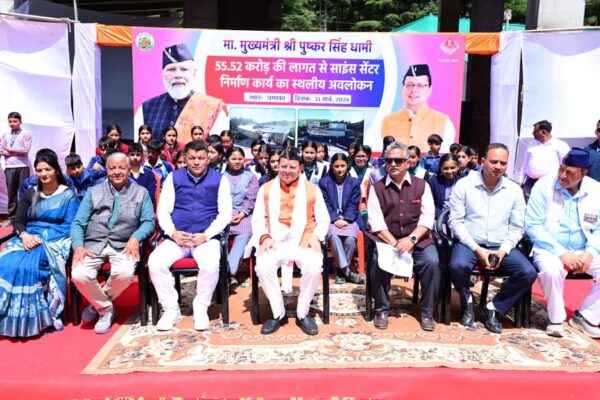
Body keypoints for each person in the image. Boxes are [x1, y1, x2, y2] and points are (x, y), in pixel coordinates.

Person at [448, 143, 537, 334]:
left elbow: (517, 226)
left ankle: (494, 308)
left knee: (528, 272)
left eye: (502, 163)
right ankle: (467, 301)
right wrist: (477, 249)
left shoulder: (514, 190)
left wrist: (503, 251)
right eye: (493, 161)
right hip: (470, 243)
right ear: (482, 161)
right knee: (457, 266)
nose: (498, 166)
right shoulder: (464, 185)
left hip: (500, 244)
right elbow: (455, 222)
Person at [148, 141, 232, 331]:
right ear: (185, 158)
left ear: (208, 159)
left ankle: (201, 306)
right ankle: (171, 309)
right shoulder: (174, 177)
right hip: (177, 237)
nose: (196, 162)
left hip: (205, 238)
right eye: (192, 158)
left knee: (210, 265)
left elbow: (225, 214)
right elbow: (163, 211)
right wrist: (173, 233)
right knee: (155, 262)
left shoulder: (220, 179)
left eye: (201, 158)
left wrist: (206, 235)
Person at [70, 152, 155, 334]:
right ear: (106, 170)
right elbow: (78, 223)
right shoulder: (93, 192)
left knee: (125, 273)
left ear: (129, 169)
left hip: (124, 243)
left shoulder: (141, 193)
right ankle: (106, 309)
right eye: (112, 168)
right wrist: (78, 245)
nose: (117, 172)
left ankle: (98, 305)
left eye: (121, 167)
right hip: (94, 242)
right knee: (78, 274)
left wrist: (136, 237)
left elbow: (149, 222)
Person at [248, 148, 329, 336]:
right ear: (277, 166)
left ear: (300, 167)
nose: (287, 171)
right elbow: (257, 219)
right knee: (263, 267)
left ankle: (302, 312)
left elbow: (324, 220)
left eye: (292, 167)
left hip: (303, 240)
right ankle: (278, 312)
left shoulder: (312, 190)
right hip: (274, 241)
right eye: (283, 166)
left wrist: (316, 236)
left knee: (314, 267)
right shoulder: (265, 189)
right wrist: (264, 236)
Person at [0, 152, 79, 337]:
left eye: (47, 169)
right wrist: (25, 236)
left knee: (31, 265)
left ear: (56, 170)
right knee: (6, 261)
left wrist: (43, 238)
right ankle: (6, 317)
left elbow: (70, 226)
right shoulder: (31, 192)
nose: (43, 174)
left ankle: (38, 318)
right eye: (39, 170)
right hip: (28, 237)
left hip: (55, 240)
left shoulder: (68, 195)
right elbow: (19, 221)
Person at [525, 148, 600, 338]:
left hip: (583, 249)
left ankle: (586, 316)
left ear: (583, 173)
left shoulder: (596, 190)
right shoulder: (544, 185)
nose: (563, 175)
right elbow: (532, 225)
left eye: (570, 173)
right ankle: (556, 318)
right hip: (550, 247)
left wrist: (590, 252)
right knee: (551, 271)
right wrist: (561, 253)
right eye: (561, 169)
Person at [367, 141, 440, 332]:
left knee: (432, 262)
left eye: (398, 160)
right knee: (377, 261)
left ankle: (427, 312)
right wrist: (397, 245)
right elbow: (376, 223)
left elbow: (427, 218)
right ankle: (381, 309)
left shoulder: (422, 186)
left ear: (408, 162)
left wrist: (411, 240)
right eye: (389, 160)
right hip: (388, 240)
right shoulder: (376, 188)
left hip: (417, 240)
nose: (393, 164)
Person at [135, 43, 228, 143]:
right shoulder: (146, 107)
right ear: (162, 74)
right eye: (171, 69)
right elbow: (138, 147)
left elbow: (218, 148)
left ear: (194, 73)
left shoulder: (212, 107)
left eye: (184, 69)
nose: (178, 75)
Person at [381, 64, 454, 153]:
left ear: (430, 89)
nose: (414, 90)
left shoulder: (444, 122)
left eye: (420, 85)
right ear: (402, 88)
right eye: (409, 85)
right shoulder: (386, 121)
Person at [319, 153, 365, 285]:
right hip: (331, 218)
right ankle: (347, 272)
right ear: (332, 167)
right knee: (334, 237)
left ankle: (341, 272)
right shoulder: (325, 182)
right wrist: (334, 219)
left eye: (342, 166)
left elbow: (353, 204)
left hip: (350, 218)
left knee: (350, 239)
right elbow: (325, 204)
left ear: (347, 166)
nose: (339, 169)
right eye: (336, 166)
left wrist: (346, 219)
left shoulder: (354, 182)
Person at [223, 146, 259, 284]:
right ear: (227, 160)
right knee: (218, 236)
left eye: (240, 159)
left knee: (244, 234)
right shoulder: (220, 177)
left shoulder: (250, 177)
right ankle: (217, 270)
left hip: (244, 214)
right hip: (224, 214)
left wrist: (242, 214)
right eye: (233, 159)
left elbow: (251, 199)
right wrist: (226, 215)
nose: (237, 162)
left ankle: (228, 272)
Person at [518, 120, 569, 201]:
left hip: (549, 183)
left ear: (543, 132)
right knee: (528, 203)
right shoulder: (531, 144)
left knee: (546, 203)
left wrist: (562, 182)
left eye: (535, 131)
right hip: (530, 182)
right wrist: (520, 180)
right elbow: (525, 163)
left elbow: (565, 165)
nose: (532, 133)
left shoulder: (560, 145)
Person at [1, 111, 32, 227]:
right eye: (10, 121)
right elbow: (1, 150)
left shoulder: (26, 133)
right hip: (9, 167)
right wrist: (14, 151)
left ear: (20, 122)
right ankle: (11, 218)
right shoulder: (5, 135)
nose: (12, 123)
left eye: (15, 121)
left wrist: (10, 150)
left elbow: (26, 150)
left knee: (23, 192)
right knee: (11, 193)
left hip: (23, 166)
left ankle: (23, 218)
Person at [428, 153, 461, 219]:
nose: (449, 171)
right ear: (441, 168)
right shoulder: (433, 182)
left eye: (452, 168)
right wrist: (443, 216)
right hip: (439, 218)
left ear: (458, 167)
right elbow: (429, 205)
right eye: (446, 168)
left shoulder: (462, 182)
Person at [128, 143, 160, 207]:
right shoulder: (124, 173)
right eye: (132, 155)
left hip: (144, 208)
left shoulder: (149, 174)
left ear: (142, 156)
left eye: (138, 155)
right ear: (128, 155)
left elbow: (151, 196)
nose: (135, 157)